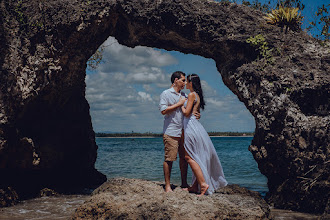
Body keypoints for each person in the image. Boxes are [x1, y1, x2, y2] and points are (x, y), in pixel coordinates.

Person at [181, 74, 227, 195]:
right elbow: (195, 112)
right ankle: (195, 186)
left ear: (191, 82)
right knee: (196, 156)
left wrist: (181, 104)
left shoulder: (191, 95)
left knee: (188, 157)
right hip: (195, 126)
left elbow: (186, 113)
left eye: (186, 81)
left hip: (191, 127)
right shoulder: (197, 95)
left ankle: (203, 184)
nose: (185, 83)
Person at [159, 71, 197, 192]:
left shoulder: (185, 95)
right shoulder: (166, 93)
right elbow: (163, 110)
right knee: (169, 159)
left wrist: (196, 113)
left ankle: (184, 183)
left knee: (184, 158)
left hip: (184, 131)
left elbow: (187, 110)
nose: (185, 83)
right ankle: (168, 186)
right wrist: (179, 104)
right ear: (176, 80)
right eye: (183, 80)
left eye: (185, 80)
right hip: (171, 131)